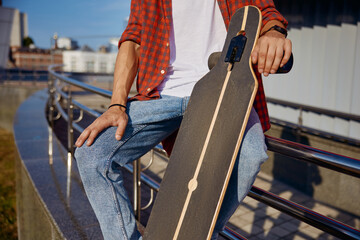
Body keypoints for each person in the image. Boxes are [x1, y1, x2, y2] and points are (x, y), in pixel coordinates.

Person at [74, 0, 292, 239]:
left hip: (223, 87)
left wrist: (274, 33)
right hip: (161, 93)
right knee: (92, 153)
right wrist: (117, 105)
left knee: (251, 154)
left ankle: (201, 233)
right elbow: (133, 38)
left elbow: (266, 12)